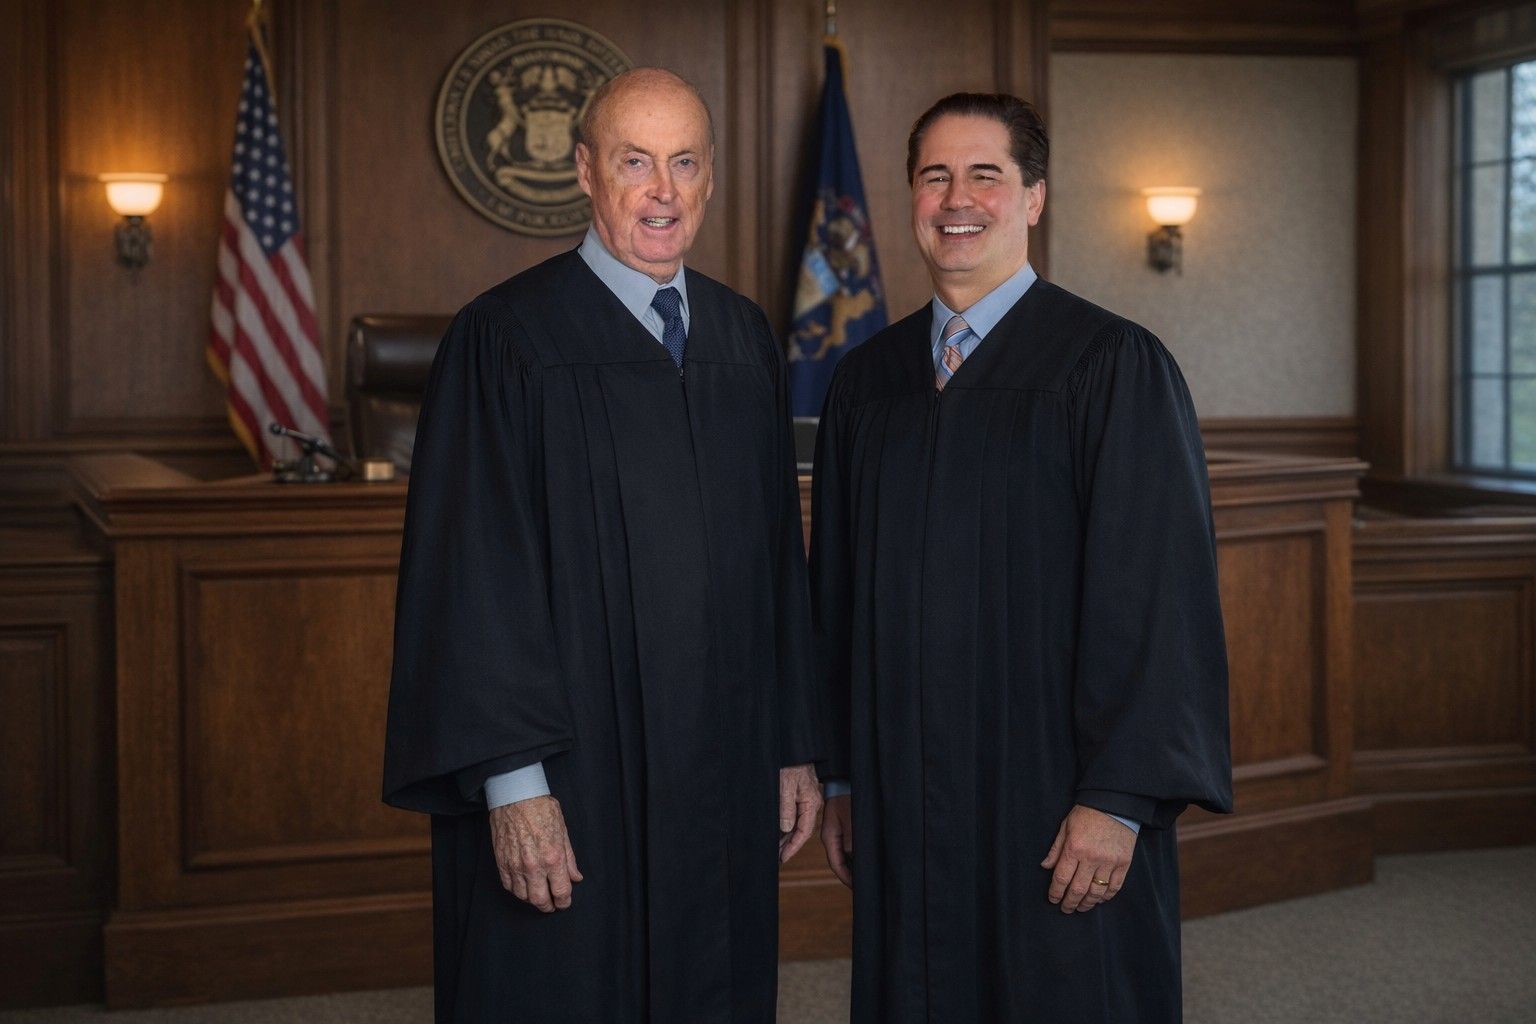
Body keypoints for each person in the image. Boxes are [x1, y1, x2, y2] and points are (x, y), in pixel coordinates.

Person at [383, 67, 824, 1023]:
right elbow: (472, 579)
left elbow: (775, 569)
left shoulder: (744, 339)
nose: (662, 190)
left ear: (708, 180)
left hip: (722, 757)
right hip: (572, 773)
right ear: (585, 172)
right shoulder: (503, 339)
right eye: (635, 162)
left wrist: (793, 742)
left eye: (684, 163)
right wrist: (513, 786)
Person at [810, 92, 1233, 1023]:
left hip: (1050, 793)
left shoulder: (1111, 365)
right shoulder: (866, 382)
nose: (957, 198)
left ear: (1034, 198)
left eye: (986, 175)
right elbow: (834, 598)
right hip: (902, 787)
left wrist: (1119, 799)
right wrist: (840, 774)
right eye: (935, 176)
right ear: (912, 198)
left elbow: (1159, 599)